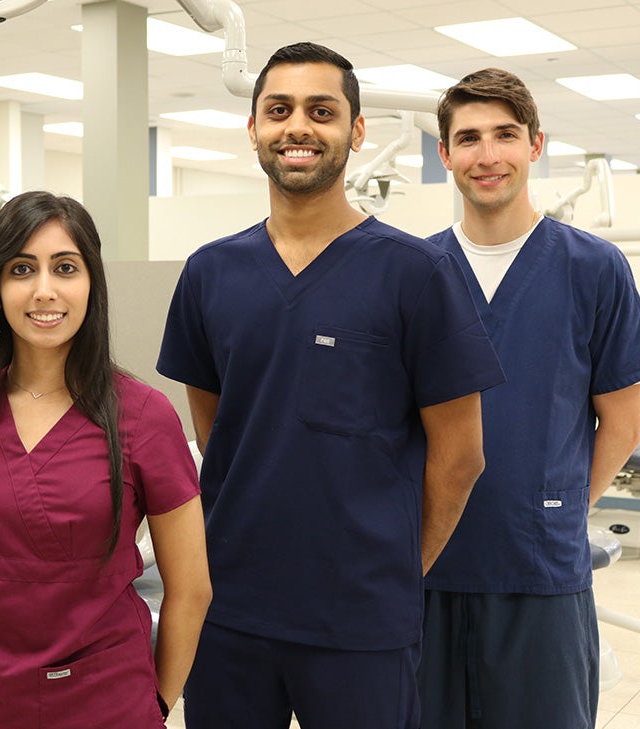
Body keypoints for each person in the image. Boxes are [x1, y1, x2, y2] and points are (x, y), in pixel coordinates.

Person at [156, 42, 505, 729]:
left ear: (356, 129)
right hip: (231, 611)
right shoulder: (210, 273)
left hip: (362, 620)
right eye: (279, 110)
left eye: (322, 111)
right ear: (253, 128)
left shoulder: (417, 274)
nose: (299, 127)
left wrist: (393, 570)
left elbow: (461, 457)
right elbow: (217, 432)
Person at [0, 191, 212, 728]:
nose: (44, 290)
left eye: (64, 268)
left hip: (106, 701)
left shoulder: (144, 417)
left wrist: (155, 704)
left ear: (91, 282)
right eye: (22, 269)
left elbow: (191, 590)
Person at [420, 68, 640, 729]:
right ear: (444, 154)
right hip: (424, 571)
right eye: (468, 138)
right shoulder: (412, 272)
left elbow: (624, 420)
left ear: (535, 144)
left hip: (542, 575)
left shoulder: (593, 269)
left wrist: (555, 507)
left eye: (505, 134)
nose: (487, 155)